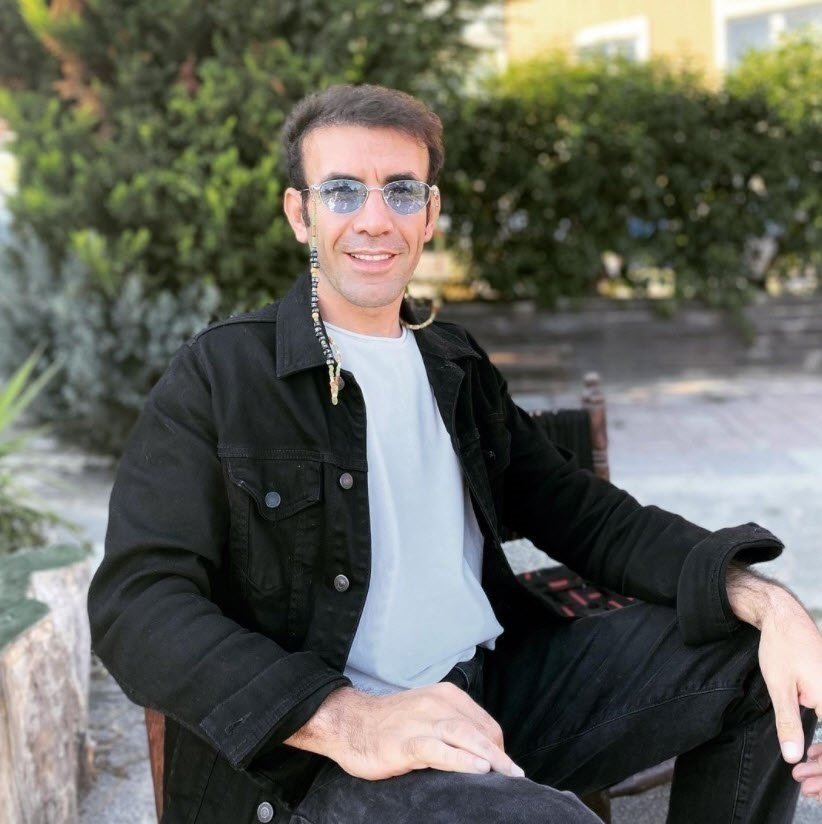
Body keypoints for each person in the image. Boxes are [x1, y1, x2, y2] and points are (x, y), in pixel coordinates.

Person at [88, 84, 822, 824]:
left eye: (401, 191)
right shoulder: (222, 375)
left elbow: (586, 515)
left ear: (430, 214)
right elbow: (136, 604)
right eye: (342, 191)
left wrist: (766, 602)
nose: (374, 218)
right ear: (299, 214)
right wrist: (346, 720)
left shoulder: (453, 365)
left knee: (763, 662)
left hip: (489, 694)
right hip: (325, 756)